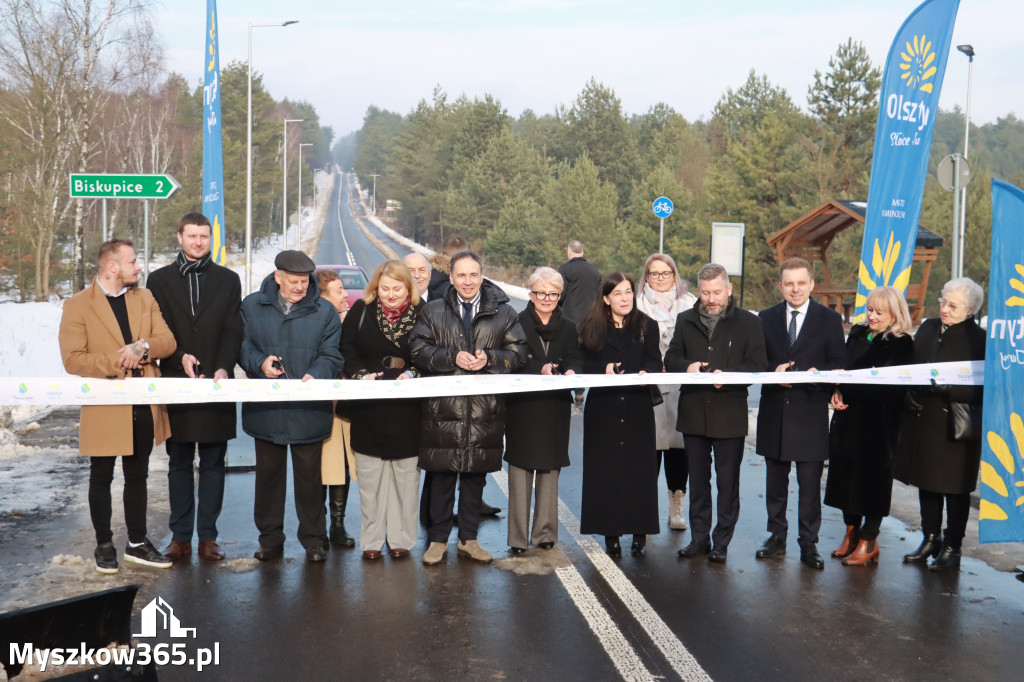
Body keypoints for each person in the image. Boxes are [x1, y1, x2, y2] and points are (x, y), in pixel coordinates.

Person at [58, 239, 177, 574]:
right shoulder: (78, 305)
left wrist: (142, 346)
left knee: (137, 475)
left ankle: (137, 543)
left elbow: (167, 341)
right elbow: (72, 359)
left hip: (142, 399)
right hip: (105, 402)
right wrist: (119, 360)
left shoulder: (145, 297)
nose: (139, 267)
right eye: (133, 261)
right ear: (112, 267)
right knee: (102, 475)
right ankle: (104, 543)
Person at [410, 250, 526, 565]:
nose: (468, 281)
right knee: (442, 480)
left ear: (481, 276)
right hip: (442, 412)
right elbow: (418, 350)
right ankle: (437, 542)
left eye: (473, 275)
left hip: (484, 412)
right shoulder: (433, 311)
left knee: (475, 479)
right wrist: (450, 357)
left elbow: (519, 353)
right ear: (451, 278)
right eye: (461, 275)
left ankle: (469, 540)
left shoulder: (504, 312)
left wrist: (491, 358)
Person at [147, 213, 242, 564]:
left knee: (215, 462)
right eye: (192, 236)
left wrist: (223, 367)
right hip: (177, 380)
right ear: (179, 237)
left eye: (204, 236)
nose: (198, 242)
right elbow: (159, 330)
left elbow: (234, 330)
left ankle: (209, 538)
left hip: (217, 384)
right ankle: (180, 537)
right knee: (180, 462)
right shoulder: (158, 281)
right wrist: (179, 357)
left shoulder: (229, 280)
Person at [239, 250, 344, 563]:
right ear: (277, 277)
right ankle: (270, 541)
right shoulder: (251, 306)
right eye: (293, 281)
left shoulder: (324, 311)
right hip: (266, 411)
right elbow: (242, 346)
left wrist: (318, 373)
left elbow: (333, 355)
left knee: (310, 481)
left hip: (308, 409)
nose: (299, 287)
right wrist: (259, 362)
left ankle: (314, 540)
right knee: (268, 479)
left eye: (304, 281)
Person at [666, 263, 768, 564]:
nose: (711, 298)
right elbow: (671, 356)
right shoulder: (685, 320)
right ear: (699, 290)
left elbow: (758, 364)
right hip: (694, 410)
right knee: (697, 481)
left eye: (717, 292)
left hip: (729, 412)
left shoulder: (749, 322)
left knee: (727, 481)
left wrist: (732, 374)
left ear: (729, 289)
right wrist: (688, 366)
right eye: (706, 292)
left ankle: (722, 541)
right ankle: (699, 538)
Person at [754, 258, 846, 570]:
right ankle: (776, 537)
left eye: (801, 283)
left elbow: (839, 362)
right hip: (775, 413)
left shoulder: (830, 320)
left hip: (810, 414)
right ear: (780, 286)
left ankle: (809, 544)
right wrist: (771, 371)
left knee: (809, 486)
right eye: (789, 284)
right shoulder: (764, 319)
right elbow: (753, 362)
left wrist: (822, 375)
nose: (795, 289)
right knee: (775, 484)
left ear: (811, 285)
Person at [895, 278, 986, 572]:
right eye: (943, 302)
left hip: (957, 425)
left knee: (956, 489)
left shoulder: (980, 340)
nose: (945, 309)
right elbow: (910, 365)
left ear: (971, 309)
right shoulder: (929, 327)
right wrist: (908, 391)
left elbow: (987, 387)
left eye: (953, 305)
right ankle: (930, 537)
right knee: (927, 484)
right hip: (925, 420)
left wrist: (950, 389)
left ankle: (953, 546)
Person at [825, 286, 914, 566]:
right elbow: (842, 368)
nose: (872, 316)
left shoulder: (902, 344)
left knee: (873, 483)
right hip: (847, 419)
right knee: (843, 480)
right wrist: (836, 390)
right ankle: (851, 533)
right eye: (870, 310)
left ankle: (868, 539)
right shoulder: (857, 333)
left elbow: (887, 388)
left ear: (894, 313)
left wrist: (846, 384)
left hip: (879, 424)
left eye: (879, 312)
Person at [341, 260, 423, 560]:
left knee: (405, 479)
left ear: (408, 288)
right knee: (371, 480)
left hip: (408, 408)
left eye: (397, 289)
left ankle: (401, 538)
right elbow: (346, 348)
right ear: (376, 286)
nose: (390, 295)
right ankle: (372, 540)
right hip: (369, 407)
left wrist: (414, 373)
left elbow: (432, 352)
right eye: (384, 288)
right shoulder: (361, 311)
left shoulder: (423, 313)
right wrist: (361, 373)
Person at [578, 273, 662, 557]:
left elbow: (654, 361)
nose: (625, 298)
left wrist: (646, 373)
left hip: (638, 406)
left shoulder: (647, 326)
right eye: (618, 294)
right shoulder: (591, 327)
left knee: (640, 471)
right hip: (604, 407)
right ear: (606, 299)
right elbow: (583, 364)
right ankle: (610, 532)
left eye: (628, 292)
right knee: (606, 472)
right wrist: (604, 370)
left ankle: (640, 531)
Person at [504, 267, 582, 553]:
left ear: (559, 296)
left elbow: (575, 355)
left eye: (552, 294)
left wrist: (573, 369)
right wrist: (541, 369)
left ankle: (545, 534)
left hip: (554, 406)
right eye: (541, 293)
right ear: (530, 294)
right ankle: (517, 538)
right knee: (520, 471)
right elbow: (511, 358)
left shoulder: (570, 326)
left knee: (550, 471)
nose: (547, 298)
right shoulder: (514, 322)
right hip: (523, 406)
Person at [635, 253, 697, 532]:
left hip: (682, 385)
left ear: (675, 275)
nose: (660, 279)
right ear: (646, 277)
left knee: (678, 447)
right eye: (654, 273)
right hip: (647, 387)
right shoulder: (636, 303)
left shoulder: (689, 304)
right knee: (648, 447)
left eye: (666, 273)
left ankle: (676, 505)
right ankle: (645, 510)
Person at [315, 268, 356, 549]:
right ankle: (317, 525)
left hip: (347, 402)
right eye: (340, 290)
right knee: (320, 466)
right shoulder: (314, 323)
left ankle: (337, 524)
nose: (345, 294)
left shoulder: (351, 321)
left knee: (342, 463)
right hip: (321, 405)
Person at [558, 240, 601, 410]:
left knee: (569, 355)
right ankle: (581, 392)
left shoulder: (565, 269)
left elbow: (560, 295)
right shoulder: (594, 270)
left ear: (569, 253)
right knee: (584, 354)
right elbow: (599, 296)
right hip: (590, 320)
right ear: (582, 252)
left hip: (569, 320)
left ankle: (570, 389)